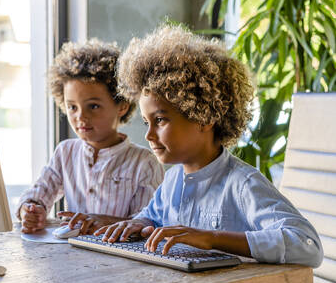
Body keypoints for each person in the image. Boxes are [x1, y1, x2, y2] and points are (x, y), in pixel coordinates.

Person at [95, 25, 323, 267]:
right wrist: (140, 223)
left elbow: (307, 245)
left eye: (160, 120)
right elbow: (153, 216)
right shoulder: (172, 181)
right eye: (146, 122)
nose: (149, 134)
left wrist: (212, 238)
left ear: (204, 117)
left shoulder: (243, 184)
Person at [17, 39, 164, 235]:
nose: (80, 117)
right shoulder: (65, 152)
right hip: (72, 257)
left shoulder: (144, 163)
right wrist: (31, 209)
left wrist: (104, 222)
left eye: (93, 106)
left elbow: (148, 225)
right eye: (72, 107)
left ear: (122, 105)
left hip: (120, 259)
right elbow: (39, 192)